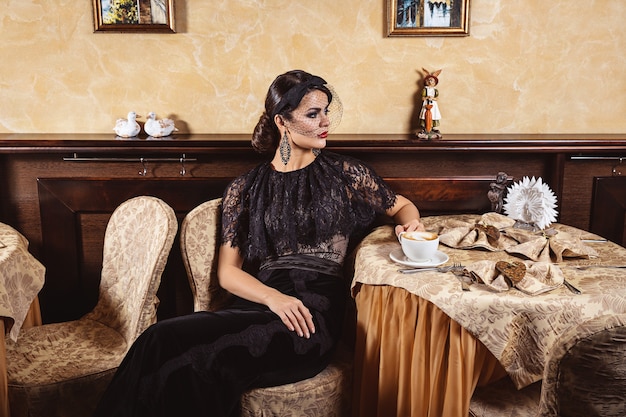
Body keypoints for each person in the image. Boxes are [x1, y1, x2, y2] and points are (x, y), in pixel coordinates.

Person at [92, 69, 424, 417]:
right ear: (283, 121)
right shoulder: (245, 188)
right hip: (260, 302)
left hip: (310, 317)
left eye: (326, 111)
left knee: (193, 358)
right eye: (313, 114)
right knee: (158, 338)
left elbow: (400, 205)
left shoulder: (344, 173)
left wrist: (411, 226)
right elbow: (228, 274)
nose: (325, 121)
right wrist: (273, 297)